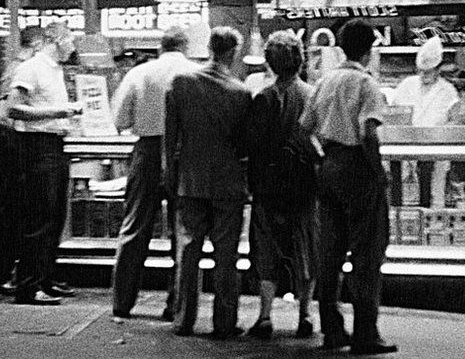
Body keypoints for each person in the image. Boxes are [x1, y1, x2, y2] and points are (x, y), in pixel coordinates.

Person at [299, 19, 397, 356]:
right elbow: (369, 133)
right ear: (370, 49)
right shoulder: (366, 84)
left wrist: (322, 157)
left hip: (329, 168)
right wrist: (378, 172)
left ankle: (332, 329)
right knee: (367, 253)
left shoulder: (324, 82)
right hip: (358, 168)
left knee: (330, 253)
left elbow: (303, 131)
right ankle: (366, 333)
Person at [164, 26, 252, 339]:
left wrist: (170, 175)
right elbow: (244, 146)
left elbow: (170, 137)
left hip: (191, 179)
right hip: (228, 183)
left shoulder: (181, 83)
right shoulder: (241, 93)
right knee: (226, 255)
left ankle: (183, 319)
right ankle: (224, 322)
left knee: (188, 251)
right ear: (233, 52)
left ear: (210, 48)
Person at [109, 26, 200, 321]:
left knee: (135, 226)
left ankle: (122, 302)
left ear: (161, 47)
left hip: (147, 152)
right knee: (182, 232)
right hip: (185, 154)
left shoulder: (139, 73)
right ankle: (177, 305)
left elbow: (120, 119)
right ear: (185, 47)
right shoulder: (196, 73)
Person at [246, 31, 319, 340]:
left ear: (270, 63)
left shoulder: (265, 97)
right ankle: (305, 314)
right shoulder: (313, 94)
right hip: (305, 185)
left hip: (270, 187)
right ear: (300, 59)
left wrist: (255, 183)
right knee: (306, 249)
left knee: (267, 250)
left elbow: (254, 146)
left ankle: (264, 317)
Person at [4, 21, 83, 306]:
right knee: (40, 217)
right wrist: (60, 111)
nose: (73, 45)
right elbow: (13, 108)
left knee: (55, 217)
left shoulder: (55, 70)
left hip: (55, 146)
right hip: (39, 148)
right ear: (56, 39)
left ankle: (45, 279)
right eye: (71, 38)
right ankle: (27, 286)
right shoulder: (31, 68)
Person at [0, 25, 45, 296]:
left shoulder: (17, 66)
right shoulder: (20, 68)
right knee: (11, 214)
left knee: (14, 215)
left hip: (11, 149)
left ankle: (7, 273)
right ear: (37, 44)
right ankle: (1, 276)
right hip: (12, 150)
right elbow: (4, 112)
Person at [392, 36, 459, 208]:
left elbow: (454, 121)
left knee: (434, 197)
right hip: (406, 150)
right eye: (420, 71)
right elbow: (394, 114)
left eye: (428, 71)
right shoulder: (407, 85)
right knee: (405, 198)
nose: (423, 75)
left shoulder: (448, 91)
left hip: (436, 150)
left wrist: (441, 134)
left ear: (438, 69)